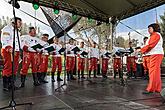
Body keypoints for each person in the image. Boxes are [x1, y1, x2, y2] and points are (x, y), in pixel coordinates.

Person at [138, 23, 164, 94]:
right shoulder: (153, 35)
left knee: (152, 72)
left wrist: (141, 50)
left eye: (150, 28)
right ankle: (157, 88)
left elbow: (150, 45)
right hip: (155, 54)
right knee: (156, 72)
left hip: (155, 54)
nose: (148, 30)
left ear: (154, 28)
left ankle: (151, 89)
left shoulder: (156, 35)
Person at [1, 17, 22, 91]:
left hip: (16, 51)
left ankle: (11, 84)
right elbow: (4, 40)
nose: (21, 24)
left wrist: (19, 52)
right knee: (8, 67)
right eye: (19, 22)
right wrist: (9, 48)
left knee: (15, 68)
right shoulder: (7, 29)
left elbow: (18, 43)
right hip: (8, 50)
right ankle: (5, 85)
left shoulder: (18, 32)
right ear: (14, 22)